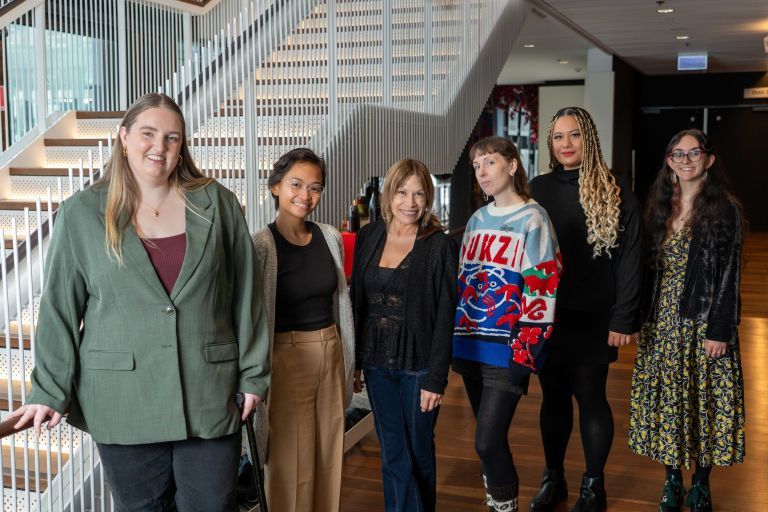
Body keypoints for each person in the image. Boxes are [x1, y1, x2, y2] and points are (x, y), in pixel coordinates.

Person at [8, 93, 269, 511]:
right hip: (121, 399)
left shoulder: (216, 202)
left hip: (208, 392)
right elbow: (59, 308)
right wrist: (49, 389)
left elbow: (246, 296)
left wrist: (254, 374)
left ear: (182, 146)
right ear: (124, 137)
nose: (159, 146)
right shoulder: (81, 213)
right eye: (148, 134)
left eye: (172, 137)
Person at [529, 107, 643, 512]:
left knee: (590, 396)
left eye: (574, 135)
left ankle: (594, 487)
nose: (565, 144)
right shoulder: (537, 189)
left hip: (594, 315)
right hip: (547, 315)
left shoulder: (615, 190)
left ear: (589, 139)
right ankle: (553, 478)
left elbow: (631, 260)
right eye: (558, 137)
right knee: (552, 399)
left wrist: (623, 317)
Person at [629, 129, 745, 512]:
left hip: (703, 322)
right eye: (677, 154)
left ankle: (702, 482)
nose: (685, 159)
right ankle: (671, 481)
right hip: (661, 325)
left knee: (704, 404)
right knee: (669, 404)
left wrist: (720, 329)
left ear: (709, 160)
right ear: (669, 162)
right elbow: (645, 269)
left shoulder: (724, 209)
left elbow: (729, 275)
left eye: (693, 153)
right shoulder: (658, 206)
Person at [452, 136, 561, 512]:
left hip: (508, 350)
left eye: (490, 163)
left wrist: (526, 352)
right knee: (490, 443)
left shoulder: (534, 218)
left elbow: (543, 290)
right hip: (470, 345)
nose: (482, 172)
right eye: (476, 165)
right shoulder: (476, 220)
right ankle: (497, 502)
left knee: (486, 440)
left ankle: (504, 508)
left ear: (512, 166)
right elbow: (465, 285)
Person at [350, 159, 457, 512]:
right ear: (388, 194)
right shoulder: (370, 234)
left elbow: (446, 315)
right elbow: (356, 301)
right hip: (377, 363)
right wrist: (354, 362)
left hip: (419, 366)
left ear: (428, 199)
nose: (410, 202)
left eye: (419, 194)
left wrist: (436, 378)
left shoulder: (438, 244)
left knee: (419, 451)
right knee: (393, 451)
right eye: (402, 192)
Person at [251, 148, 354, 512]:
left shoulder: (330, 237)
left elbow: (340, 305)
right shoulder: (261, 245)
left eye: (315, 188)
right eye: (296, 184)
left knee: (329, 452)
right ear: (276, 186)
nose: (305, 196)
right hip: (285, 358)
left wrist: (348, 358)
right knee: (289, 460)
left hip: (330, 351)